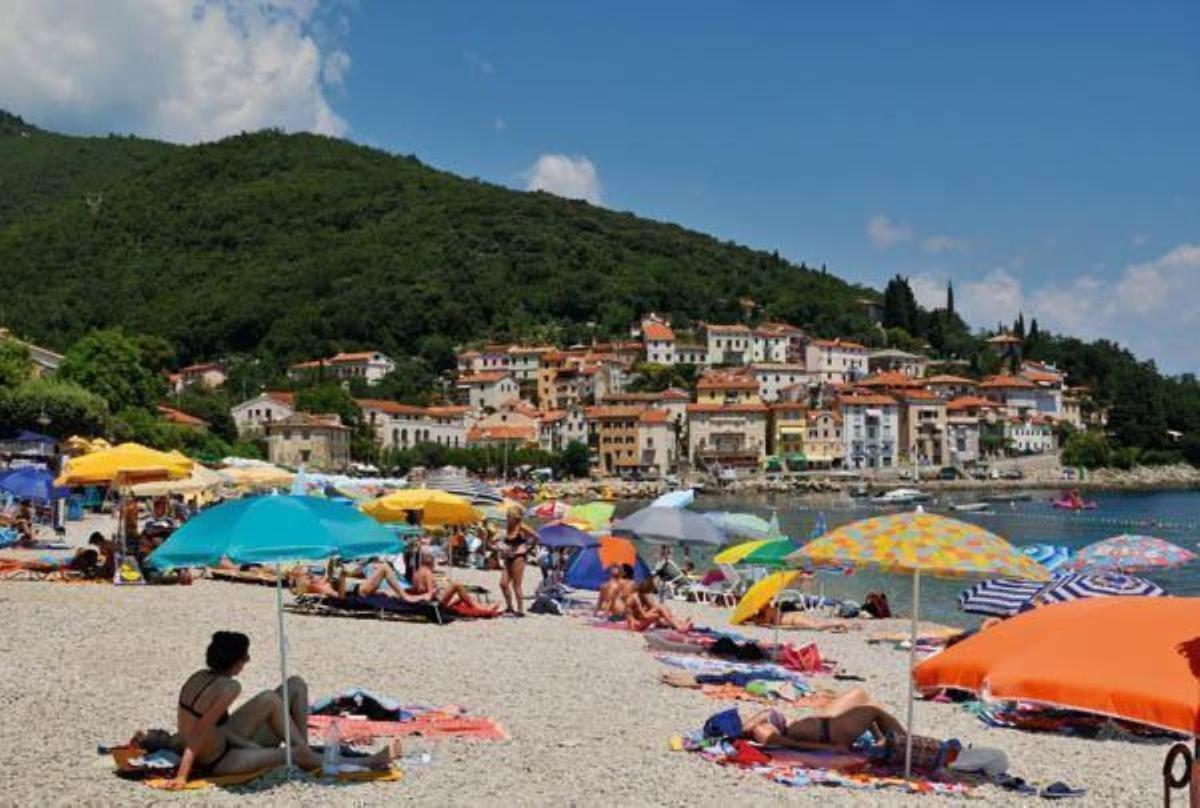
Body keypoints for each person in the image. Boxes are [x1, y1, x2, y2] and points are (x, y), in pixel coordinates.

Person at [165, 631, 400, 788]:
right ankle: (367, 763)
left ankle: (304, 749)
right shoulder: (229, 687)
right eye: (246, 656)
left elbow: (209, 728)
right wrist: (182, 776)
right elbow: (198, 733)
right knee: (294, 754)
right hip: (220, 761)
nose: (247, 661)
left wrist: (247, 743)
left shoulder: (198, 677)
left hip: (224, 743)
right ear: (236, 661)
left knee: (294, 685)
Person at [739, 688, 906, 751]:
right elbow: (788, 744)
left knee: (863, 697)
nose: (742, 718)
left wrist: (760, 716)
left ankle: (887, 741)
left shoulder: (760, 724)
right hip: (830, 733)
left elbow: (763, 717)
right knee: (874, 711)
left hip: (827, 726)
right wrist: (830, 748)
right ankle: (907, 746)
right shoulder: (760, 731)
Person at [408, 551, 498, 613]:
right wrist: (438, 590)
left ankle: (480, 606)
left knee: (461, 598)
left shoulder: (416, 573)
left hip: (421, 603)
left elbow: (415, 589)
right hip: (432, 604)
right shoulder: (428, 573)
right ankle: (481, 608)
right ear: (431, 563)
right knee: (456, 584)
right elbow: (430, 593)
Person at [498, 508, 537, 617]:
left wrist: (528, 548)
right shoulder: (508, 528)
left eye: (509, 516)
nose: (507, 518)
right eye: (507, 516)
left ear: (515, 518)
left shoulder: (521, 527)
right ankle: (510, 607)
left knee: (516, 584)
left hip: (519, 557)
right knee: (503, 583)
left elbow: (536, 537)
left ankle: (520, 610)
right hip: (508, 557)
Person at [627, 576, 692, 632]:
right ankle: (680, 627)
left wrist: (663, 614)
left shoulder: (643, 595)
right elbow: (644, 615)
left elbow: (653, 607)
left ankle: (681, 624)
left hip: (642, 621)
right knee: (661, 610)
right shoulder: (634, 598)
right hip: (636, 625)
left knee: (663, 612)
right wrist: (658, 615)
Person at [752, 603, 854, 632]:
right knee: (819, 623)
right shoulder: (770, 608)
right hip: (795, 616)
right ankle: (840, 624)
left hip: (794, 620)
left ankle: (840, 623)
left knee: (816, 626)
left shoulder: (769, 610)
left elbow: (765, 622)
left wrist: (755, 619)